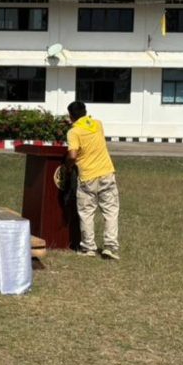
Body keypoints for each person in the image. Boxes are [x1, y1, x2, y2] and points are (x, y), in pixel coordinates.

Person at [66, 101, 119, 260]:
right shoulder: (98, 124)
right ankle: (110, 247)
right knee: (110, 211)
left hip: (87, 176)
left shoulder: (73, 132)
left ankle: (88, 247)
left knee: (87, 213)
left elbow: (72, 155)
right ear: (85, 111)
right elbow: (88, 126)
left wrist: (68, 167)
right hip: (106, 173)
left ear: (71, 116)